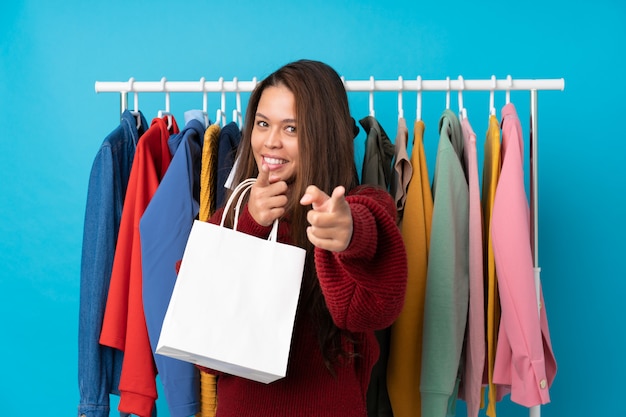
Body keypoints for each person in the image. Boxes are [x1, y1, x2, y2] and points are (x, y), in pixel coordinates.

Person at [200, 59, 408, 417]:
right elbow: (207, 352)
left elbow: (372, 308)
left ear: (323, 134)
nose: (271, 142)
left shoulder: (365, 205)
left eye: (291, 129)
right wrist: (250, 224)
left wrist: (348, 234)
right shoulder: (232, 215)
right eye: (263, 124)